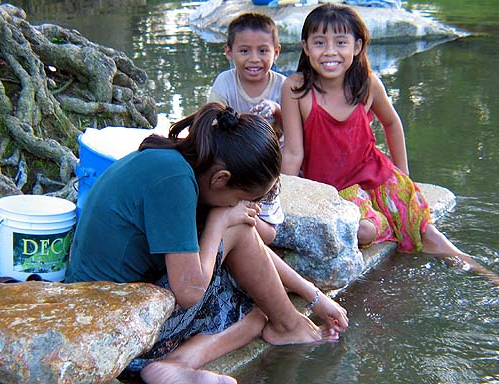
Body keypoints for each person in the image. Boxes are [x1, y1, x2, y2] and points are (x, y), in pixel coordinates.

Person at [66, 102, 349, 384]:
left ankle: (178, 364)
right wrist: (219, 222)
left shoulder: (181, 162)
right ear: (221, 178)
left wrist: (313, 296)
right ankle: (285, 326)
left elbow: (249, 246)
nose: (243, 207)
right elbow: (189, 291)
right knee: (253, 309)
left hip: (103, 308)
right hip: (113, 333)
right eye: (242, 198)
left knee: (256, 316)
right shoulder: (174, 181)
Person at [280, 3, 499, 284]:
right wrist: (287, 207)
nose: (330, 51)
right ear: (306, 47)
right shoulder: (296, 89)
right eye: (320, 43)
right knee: (363, 233)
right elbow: (294, 152)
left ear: (357, 47)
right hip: (336, 190)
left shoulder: (367, 84)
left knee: (429, 235)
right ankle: (382, 223)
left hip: (377, 176)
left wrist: (404, 175)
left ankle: (484, 275)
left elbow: (393, 123)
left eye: (341, 42)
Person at [208, 12, 287, 244]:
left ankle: (257, 221)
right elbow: (210, 125)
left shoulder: (282, 85)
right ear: (229, 53)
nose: (254, 59)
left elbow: (294, 133)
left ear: (277, 52)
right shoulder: (225, 82)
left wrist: (277, 110)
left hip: (270, 162)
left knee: (269, 230)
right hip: (235, 159)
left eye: (263, 51)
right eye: (244, 51)